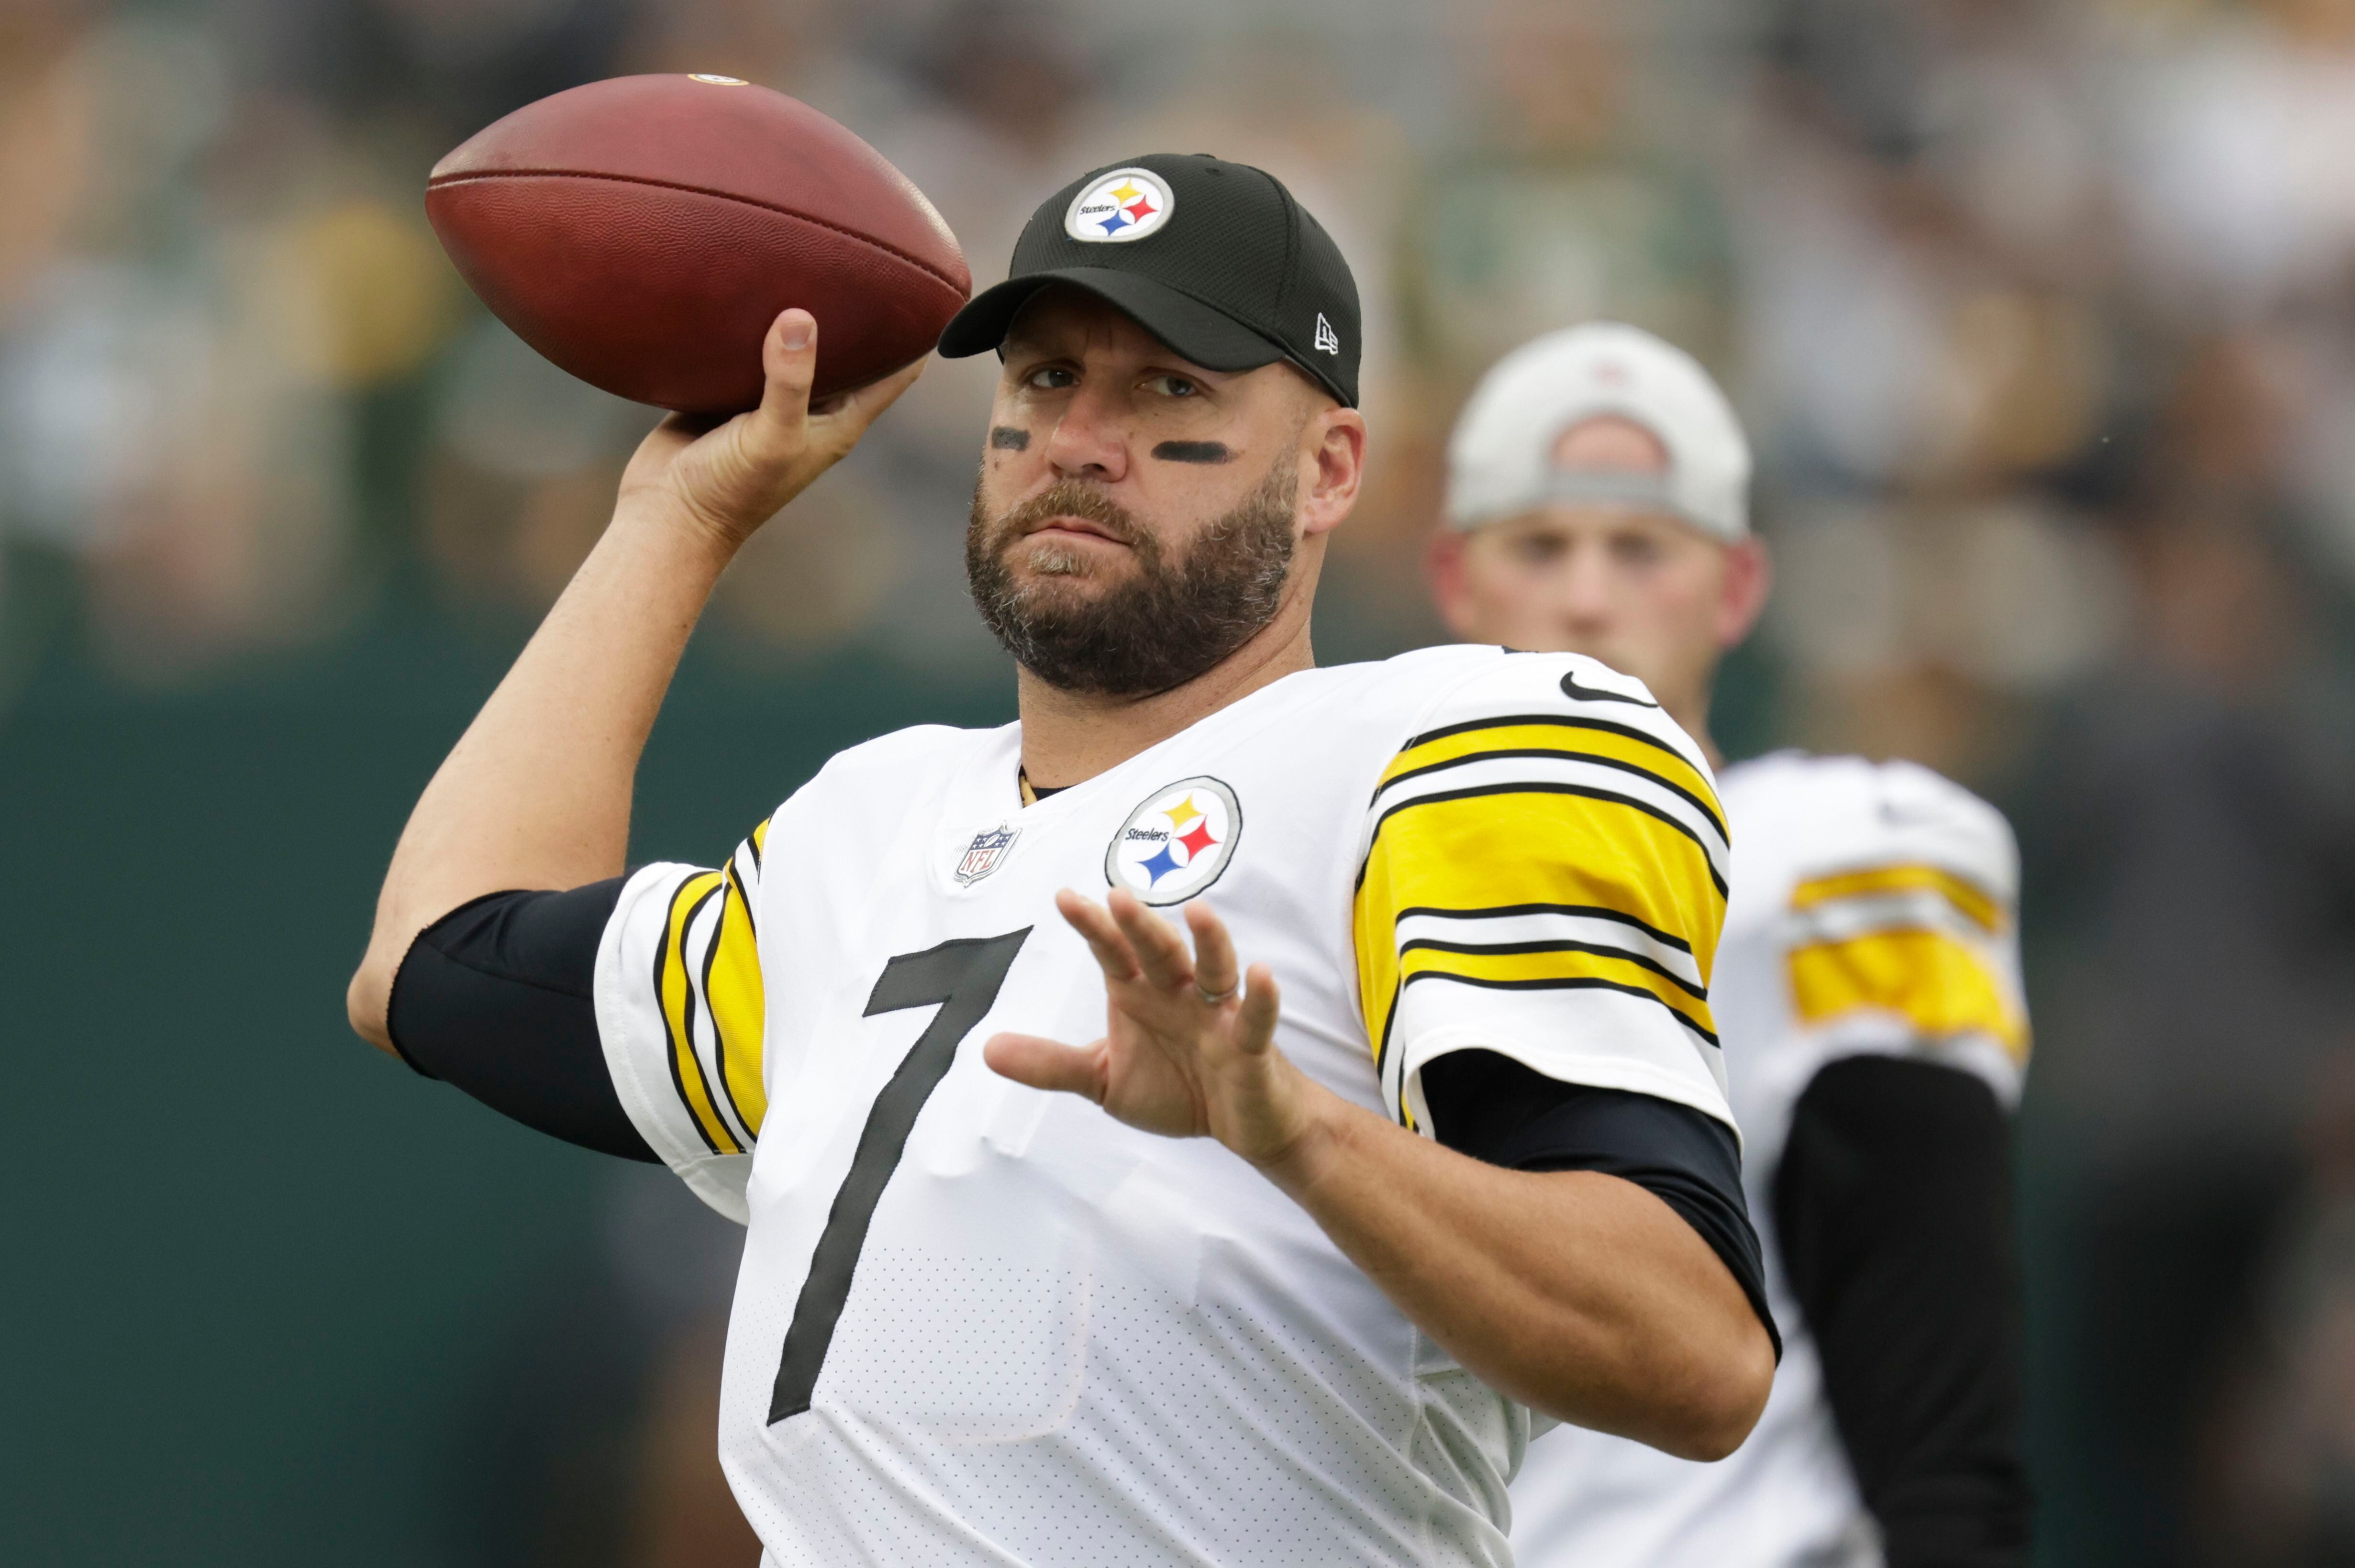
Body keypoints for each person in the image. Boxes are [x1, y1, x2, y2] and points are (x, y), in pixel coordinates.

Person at [344, 156, 1776, 1567]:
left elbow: (1692, 1357)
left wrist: (1287, 1129)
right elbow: (433, 960)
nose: (1082, 437)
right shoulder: (868, 820)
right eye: (1041, 381)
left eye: (1170, 388)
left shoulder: (1448, 743)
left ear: (1331, 467)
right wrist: (678, 518)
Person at [1427, 323, 2033, 1568]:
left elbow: (1930, 1349)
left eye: (1640, 547)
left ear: (1737, 587)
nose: (1587, 595)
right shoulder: (1340, 868)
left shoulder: (1838, 855)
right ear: (1455, 579)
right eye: (1540, 545)